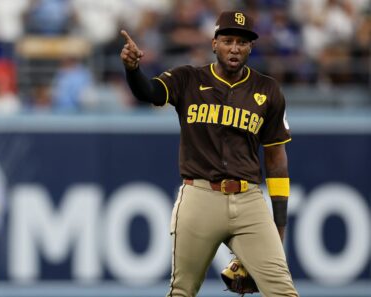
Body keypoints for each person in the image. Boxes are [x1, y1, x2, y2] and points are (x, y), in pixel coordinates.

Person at [120, 11, 299, 297]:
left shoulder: (268, 90)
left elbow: (276, 160)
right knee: (182, 291)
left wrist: (279, 225)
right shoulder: (188, 78)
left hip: (249, 200)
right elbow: (149, 92)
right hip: (199, 196)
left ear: (251, 47)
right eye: (228, 40)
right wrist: (132, 70)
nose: (235, 48)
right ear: (214, 43)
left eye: (242, 42)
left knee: (284, 292)